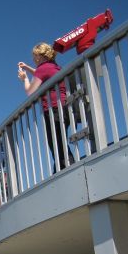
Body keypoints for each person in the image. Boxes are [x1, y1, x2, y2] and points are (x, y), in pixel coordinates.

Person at [18, 42, 74, 171]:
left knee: (55, 142)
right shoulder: (53, 67)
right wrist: (27, 67)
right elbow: (41, 75)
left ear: (39, 56)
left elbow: (30, 92)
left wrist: (25, 78)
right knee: (60, 141)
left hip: (53, 109)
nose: (33, 59)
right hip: (64, 107)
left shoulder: (43, 69)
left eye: (34, 56)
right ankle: (60, 169)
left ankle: (67, 168)